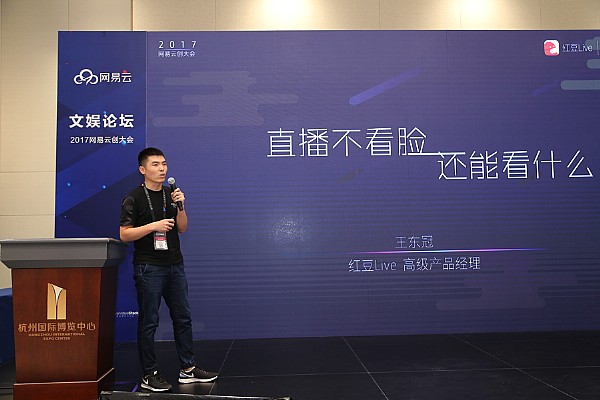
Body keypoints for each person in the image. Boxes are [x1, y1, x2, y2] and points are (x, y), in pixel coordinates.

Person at [119, 147, 218, 392]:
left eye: (164, 164)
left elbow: (182, 228)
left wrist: (181, 206)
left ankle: (188, 369)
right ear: (142, 170)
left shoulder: (170, 194)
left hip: (175, 264)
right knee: (149, 322)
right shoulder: (133, 198)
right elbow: (124, 234)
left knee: (183, 318)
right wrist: (153, 226)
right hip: (149, 267)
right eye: (155, 164)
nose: (161, 169)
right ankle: (149, 373)